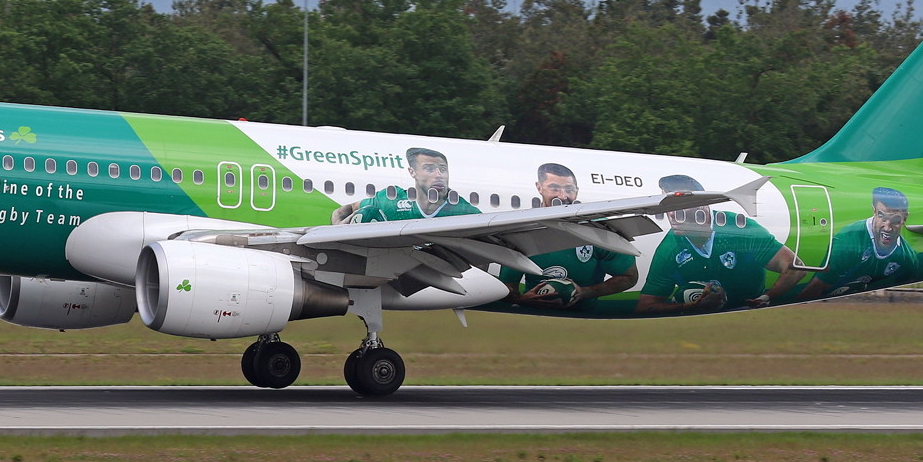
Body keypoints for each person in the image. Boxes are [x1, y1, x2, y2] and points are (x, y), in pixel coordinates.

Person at [635, 174, 804, 314]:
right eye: (666, 205)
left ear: (702, 205)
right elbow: (645, 305)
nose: (671, 214)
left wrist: (765, 299)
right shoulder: (669, 249)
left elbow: (795, 268)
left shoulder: (739, 229)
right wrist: (691, 306)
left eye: (677, 204)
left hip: (752, 314)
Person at [499, 163, 638, 310]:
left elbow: (629, 277)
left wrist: (585, 292)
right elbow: (507, 288)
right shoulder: (521, 234)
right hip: (533, 318)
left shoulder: (598, 231)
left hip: (586, 320)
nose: (563, 196)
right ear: (539, 188)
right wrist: (523, 300)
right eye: (554, 188)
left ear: (576, 192)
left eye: (569, 190)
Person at [796, 186, 919, 300]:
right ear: (874, 211)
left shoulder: (907, 257)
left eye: (895, 220)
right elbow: (811, 292)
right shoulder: (847, 242)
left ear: (905, 219)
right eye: (882, 217)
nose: (887, 227)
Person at [330, 147, 480, 223]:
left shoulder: (465, 213)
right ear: (412, 172)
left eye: (443, 169)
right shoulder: (391, 199)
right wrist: (338, 227)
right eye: (430, 169)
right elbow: (347, 209)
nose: (438, 175)